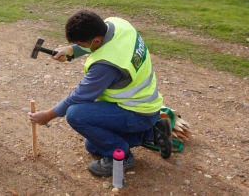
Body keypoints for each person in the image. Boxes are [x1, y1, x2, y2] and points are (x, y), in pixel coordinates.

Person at [28, 10, 172, 176]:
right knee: (92, 145)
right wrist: (74, 50)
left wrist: (48, 115)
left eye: (82, 45)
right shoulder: (117, 23)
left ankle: (123, 157)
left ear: (96, 40)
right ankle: (152, 132)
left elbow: (79, 97)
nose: (82, 47)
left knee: (76, 115)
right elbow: (101, 43)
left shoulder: (106, 65)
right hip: (146, 103)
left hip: (138, 111)